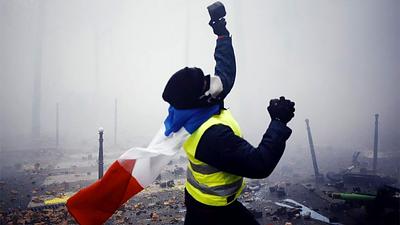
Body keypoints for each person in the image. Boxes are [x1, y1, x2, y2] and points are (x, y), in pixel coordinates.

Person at [162, 4, 295, 225]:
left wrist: (221, 32)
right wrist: (278, 123)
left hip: (204, 201)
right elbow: (259, 164)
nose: (211, 81)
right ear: (201, 96)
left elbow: (224, 72)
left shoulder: (188, 108)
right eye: (206, 81)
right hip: (211, 213)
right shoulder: (211, 136)